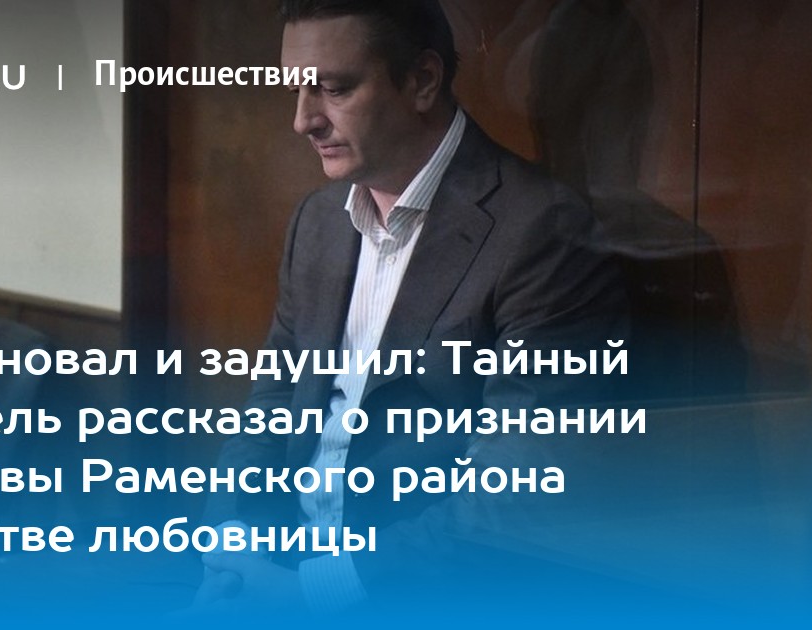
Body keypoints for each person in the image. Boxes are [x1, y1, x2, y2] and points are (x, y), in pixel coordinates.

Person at [195, 0, 627, 616]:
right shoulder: (317, 221)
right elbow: (269, 410)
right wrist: (233, 552)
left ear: (422, 80)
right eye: (296, 91)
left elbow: (522, 485)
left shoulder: (544, 232)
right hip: (276, 575)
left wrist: (314, 593)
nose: (302, 120)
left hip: (417, 597)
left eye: (333, 89)